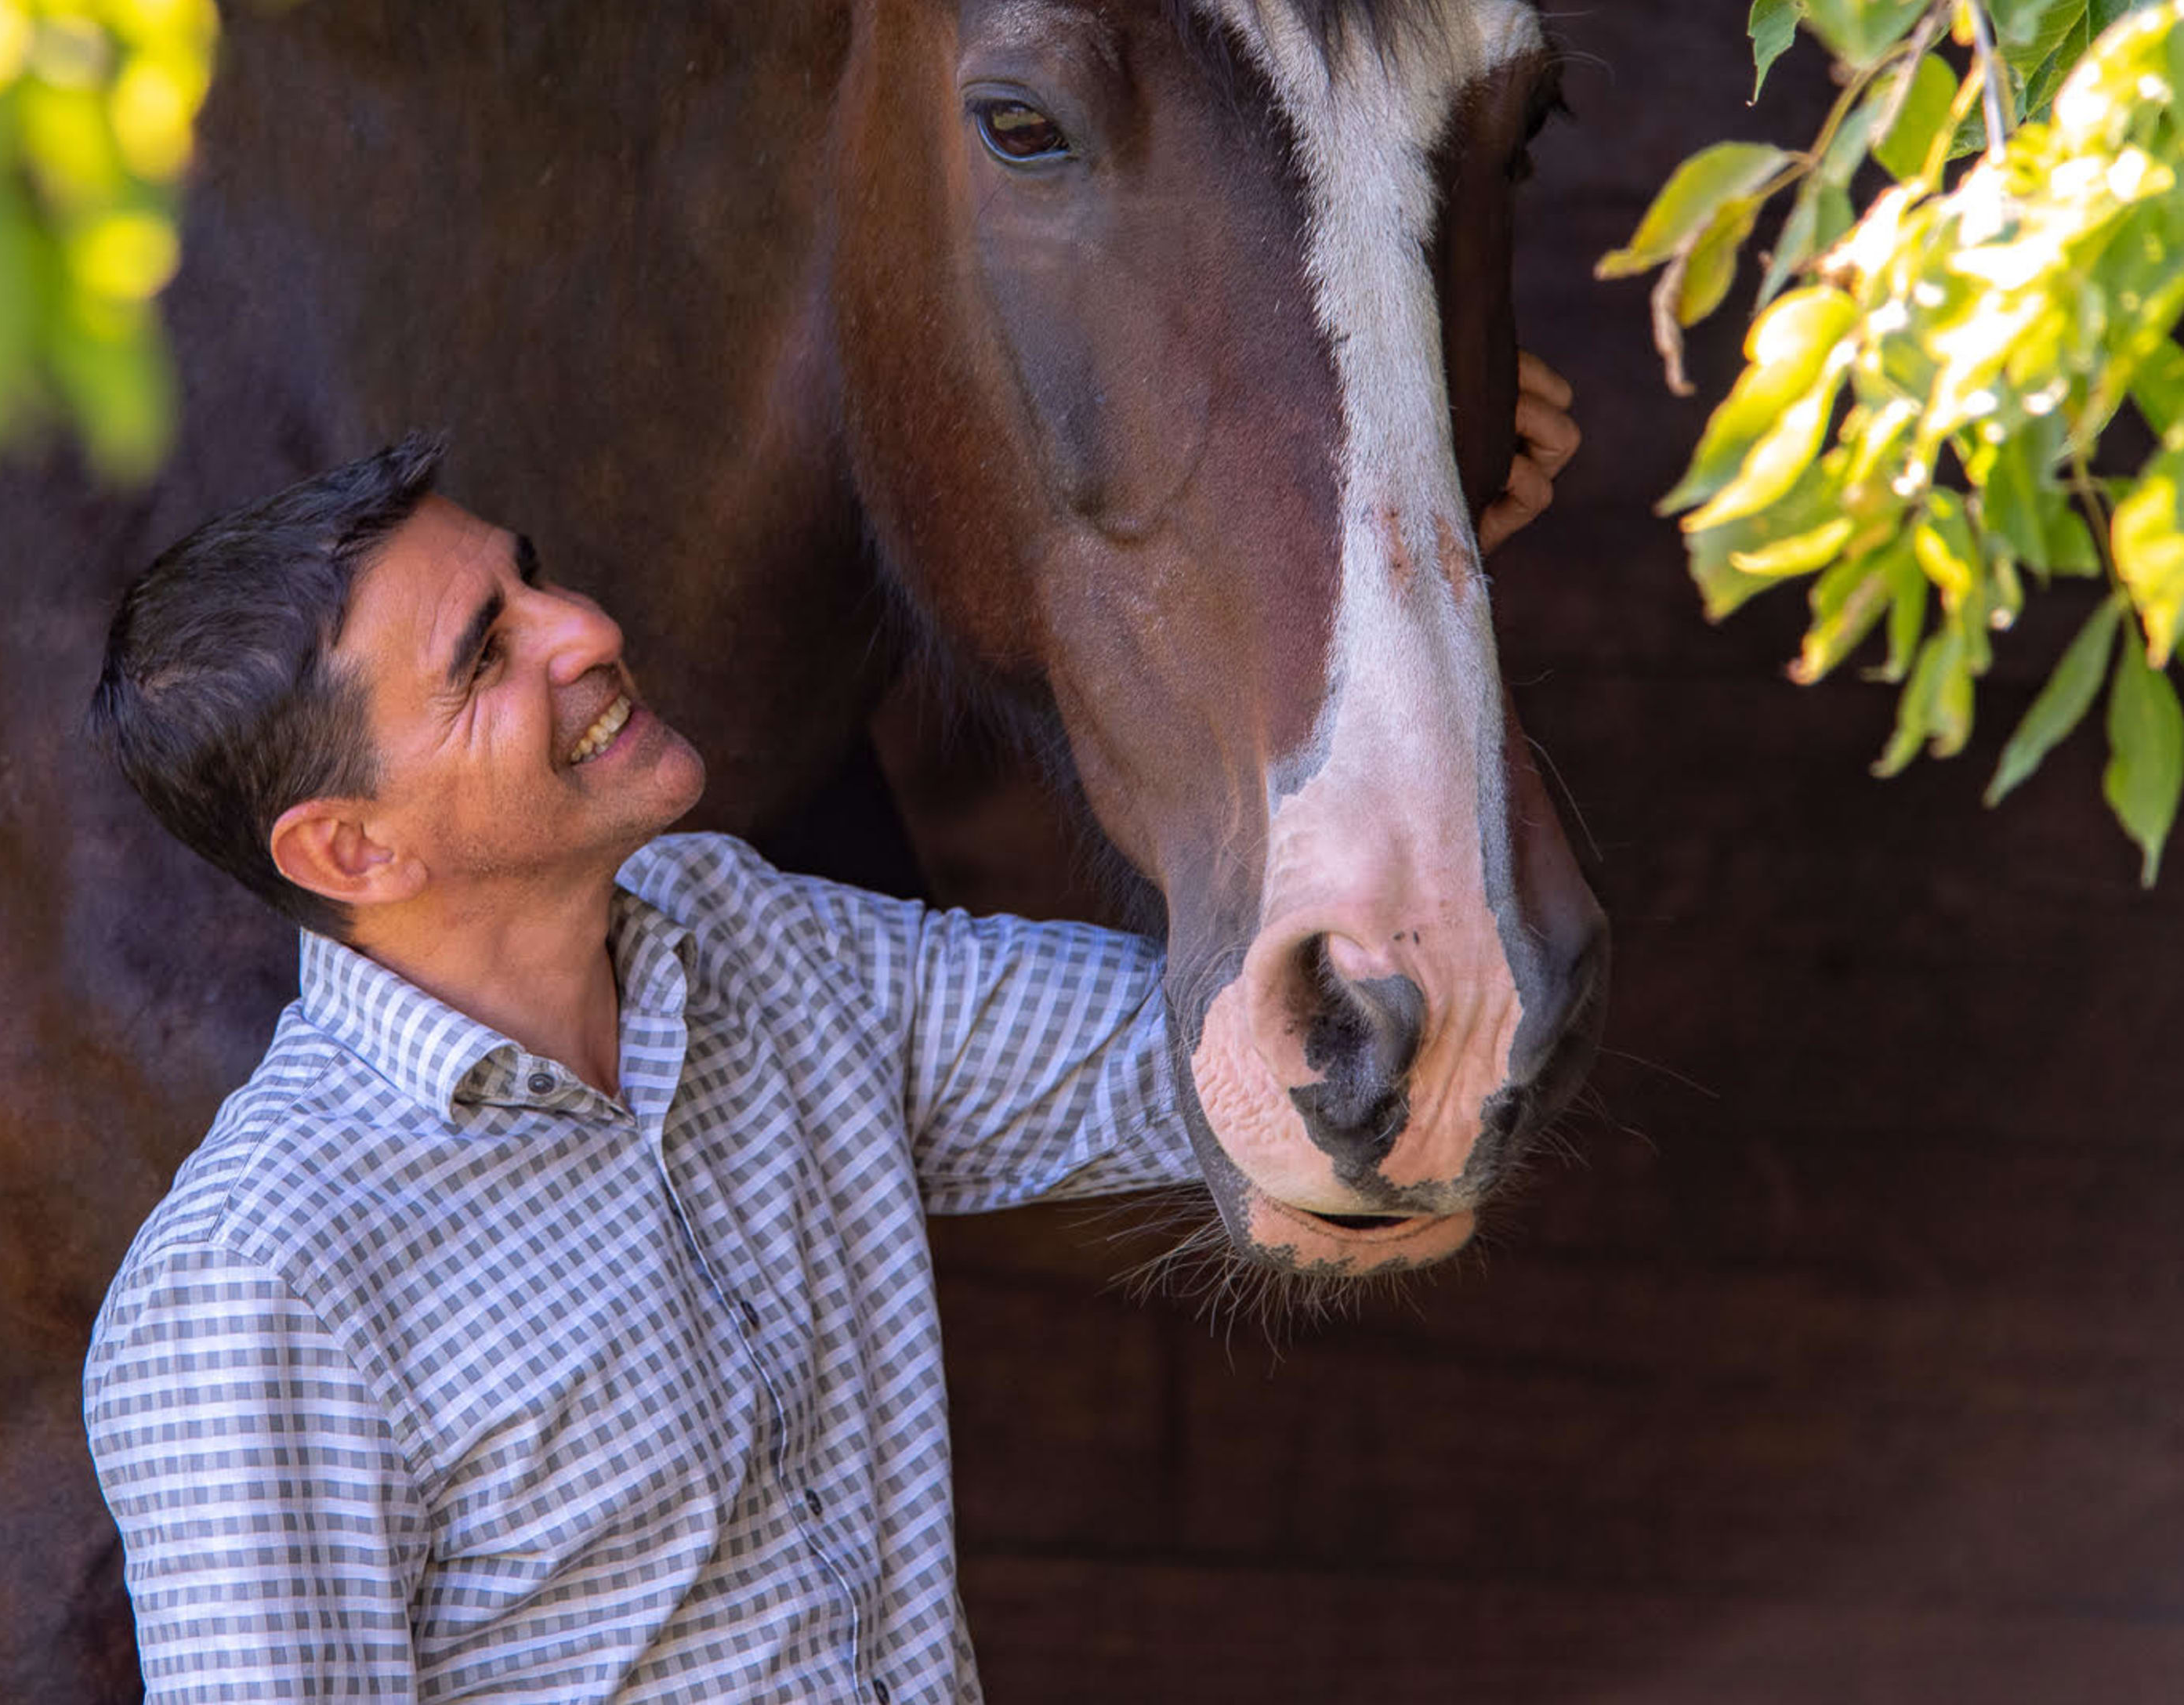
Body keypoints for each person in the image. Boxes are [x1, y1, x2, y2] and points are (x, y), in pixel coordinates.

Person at [82, 369, 1579, 1703]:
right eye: (484, 653)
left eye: (528, 578)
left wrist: (1391, 596)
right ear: (350, 853)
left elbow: (1257, 1060)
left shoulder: (747, 939)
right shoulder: (253, 1287)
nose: (586, 628)